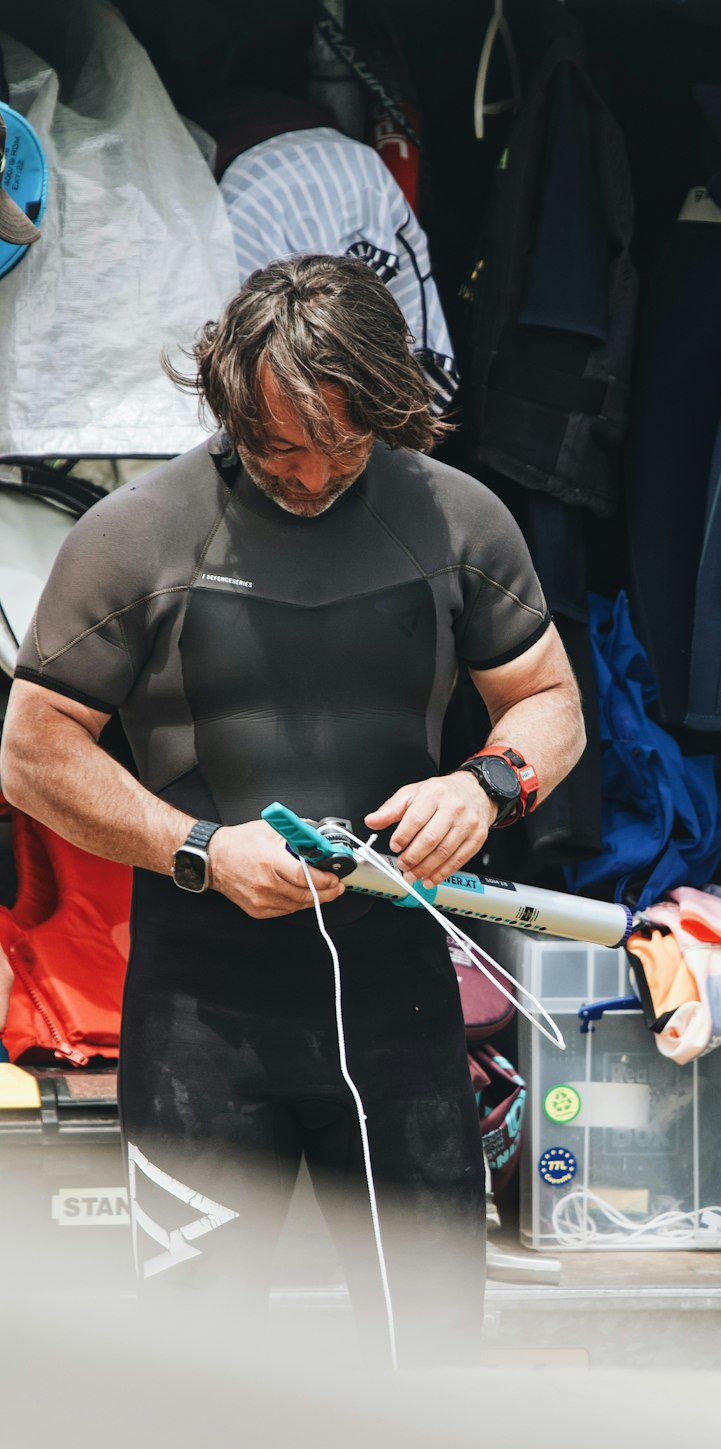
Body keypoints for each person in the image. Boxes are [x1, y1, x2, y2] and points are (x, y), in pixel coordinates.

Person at [0, 254, 584, 1365]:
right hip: (201, 1028)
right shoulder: (138, 536)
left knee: (437, 1370)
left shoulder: (456, 519)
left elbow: (550, 702)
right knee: (198, 1386)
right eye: (279, 450)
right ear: (228, 402)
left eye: (344, 449)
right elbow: (32, 756)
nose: (312, 478)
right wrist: (202, 852)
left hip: (399, 1014)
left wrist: (488, 784)